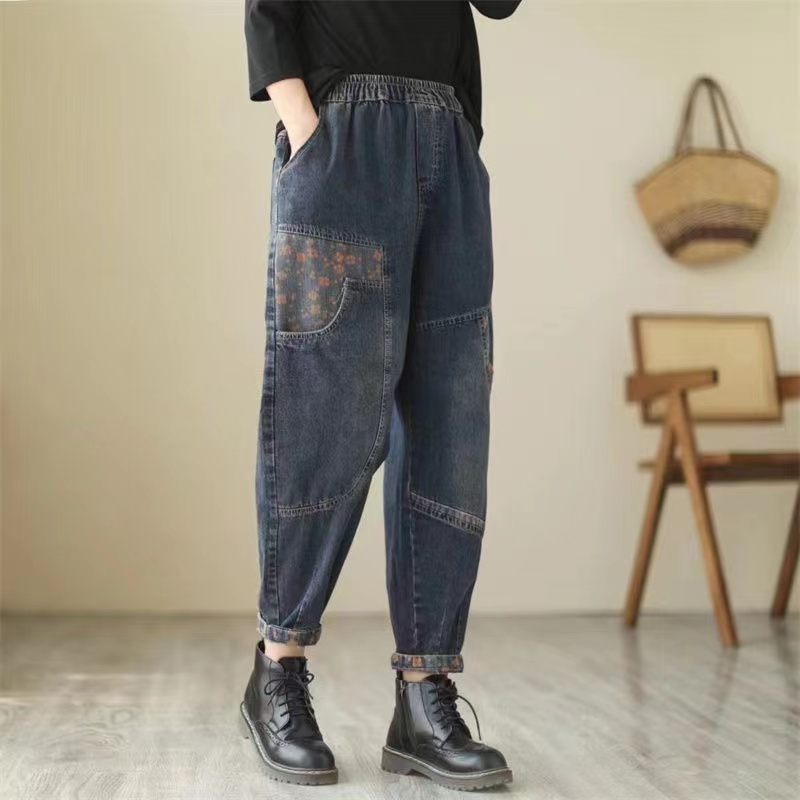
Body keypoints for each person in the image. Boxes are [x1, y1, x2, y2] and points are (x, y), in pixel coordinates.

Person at [240, 0, 521, 790]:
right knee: (322, 418)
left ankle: (425, 696)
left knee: (449, 422)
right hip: (343, 137)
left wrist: (453, 133)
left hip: (447, 139)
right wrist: (306, 127)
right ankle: (278, 668)